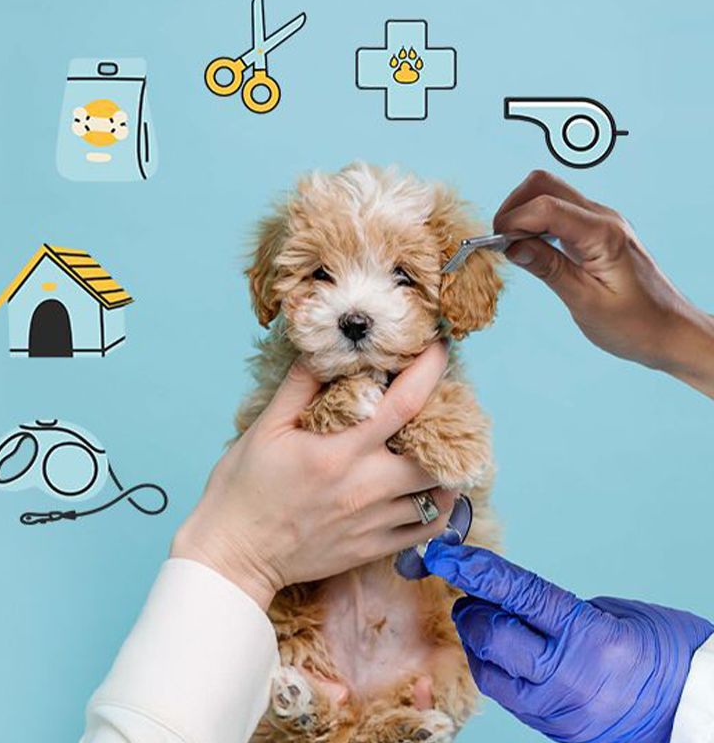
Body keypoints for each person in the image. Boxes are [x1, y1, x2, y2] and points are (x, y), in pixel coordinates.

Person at [80, 171, 714, 743]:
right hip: (310, 617)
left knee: (447, 656)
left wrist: (680, 340)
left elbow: (459, 453)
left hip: (413, 621)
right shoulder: (294, 374)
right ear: (276, 282)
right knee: (282, 659)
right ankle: (320, 718)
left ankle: (387, 723)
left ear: (447, 291)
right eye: (320, 274)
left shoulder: (441, 381)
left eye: (403, 277)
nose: (355, 309)